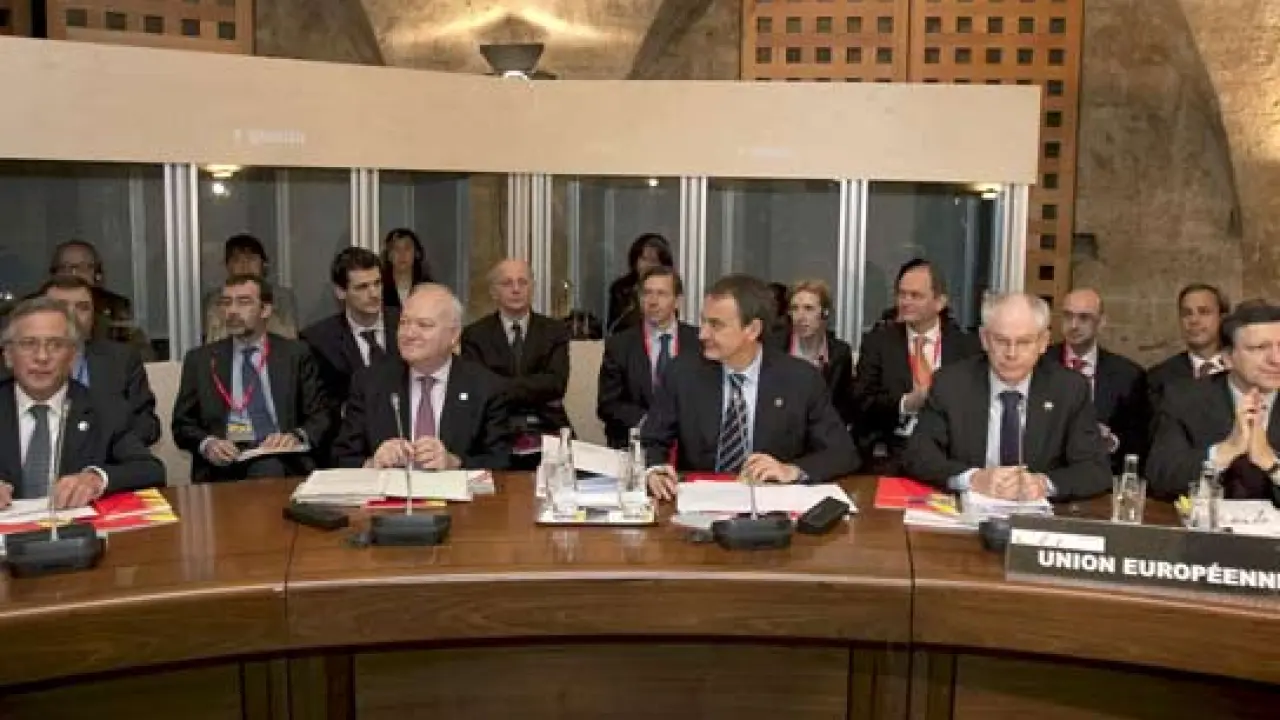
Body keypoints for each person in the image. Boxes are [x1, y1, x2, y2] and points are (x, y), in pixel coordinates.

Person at [642, 274, 858, 500]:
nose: (702, 334)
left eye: (715, 325)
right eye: (703, 321)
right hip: (699, 502)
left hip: (772, 503)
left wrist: (791, 470)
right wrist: (654, 470)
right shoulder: (682, 373)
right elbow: (652, 440)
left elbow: (842, 453)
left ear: (752, 329)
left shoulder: (801, 379)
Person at [904, 293, 1110, 502]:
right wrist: (974, 479)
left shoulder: (1069, 389)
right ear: (984, 339)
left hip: (1038, 515)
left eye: (1024, 342)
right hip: (966, 510)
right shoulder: (951, 383)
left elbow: (1095, 469)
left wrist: (1043, 484)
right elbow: (918, 455)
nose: (1011, 353)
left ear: (1043, 342)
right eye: (1001, 341)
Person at [0, 297, 163, 508]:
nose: (42, 357)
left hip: (75, 526)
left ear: (72, 357)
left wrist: (96, 478)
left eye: (56, 345)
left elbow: (150, 470)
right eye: (29, 344)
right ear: (8, 355)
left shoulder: (104, 408)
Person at [332, 284, 511, 469]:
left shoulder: (486, 387)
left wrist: (454, 463)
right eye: (404, 322)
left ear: (453, 335)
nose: (409, 334)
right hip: (392, 486)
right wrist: (372, 463)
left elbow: (500, 461)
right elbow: (341, 457)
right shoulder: (369, 383)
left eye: (424, 325)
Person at [173, 275, 330, 482]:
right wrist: (208, 443)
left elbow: (321, 415)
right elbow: (182, 424)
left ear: (265, 310)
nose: (232, 311)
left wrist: (295, 436)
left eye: (243, 302)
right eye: (226, 303)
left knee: (268, 466)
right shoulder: (201, 360)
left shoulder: (295, 354)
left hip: (280, 457)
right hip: (224, 462)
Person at [851, 259, 982, 469]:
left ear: (939, 302)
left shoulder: (966, 347)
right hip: (892, 450)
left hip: (948, 452)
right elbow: (861, 402)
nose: (905, 302)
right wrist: (906, 403)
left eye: (916, 295)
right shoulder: (878, 342)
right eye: (902, 294)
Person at [1147, 301, 1280, 504]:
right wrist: (1224, 451)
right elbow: (1160, 478)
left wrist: (1271, 463)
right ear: (1227, 358)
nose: (1276, 359)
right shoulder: (1184, 398)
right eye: (1260, 348)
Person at [461, 258, 571, 468]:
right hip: (493, 428)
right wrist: (532, 386)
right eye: (507, 283)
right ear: (493, 292)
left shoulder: (555, 331)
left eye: (522, 282)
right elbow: (479, 389)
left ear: (532, 288)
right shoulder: (475, 335)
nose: (516, 289)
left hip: (545, 424)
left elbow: (556, 384)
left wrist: (500, 385)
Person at [36, 275, 161, 446]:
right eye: (61, 306)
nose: (72, 315)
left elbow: (148, 425)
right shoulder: (17, 363)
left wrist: (107, 448)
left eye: (83, 308)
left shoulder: (122, 359)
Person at [1045, 288, 1149, 472]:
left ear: (1101, 322)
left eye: (1084, 318)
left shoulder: (1127, 375)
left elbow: (1138, 439)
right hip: (1047, 472)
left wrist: (1112, 442)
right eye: (1068, 316)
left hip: (1102, 473)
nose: (1074, 325)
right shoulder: (1040, 364)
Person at [596, 266, 700, 448]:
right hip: (636, 443)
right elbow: (608, 405)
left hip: (689, 446)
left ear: (677, 301)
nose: (653, 301)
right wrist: (651, 423)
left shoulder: (698, 342)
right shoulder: (620, 344)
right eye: (647, 293)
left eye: (661, 294)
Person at [300, 248, 400, 410]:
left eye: (377, 283)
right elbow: (320, 407)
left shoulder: (407, 323)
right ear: (341, 292)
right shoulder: (318, 341)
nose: (374, 294)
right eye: (362, 287)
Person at [771, 280, 855, 430]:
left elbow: (842, 407)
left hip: (822, 431)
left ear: (825, 313)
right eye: (795, 309)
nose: (800, 316)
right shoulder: (774, 347)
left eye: (808, 308)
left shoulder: (840, 353)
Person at [48, 240, 150, 354]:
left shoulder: (115, 308)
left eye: (82, 267)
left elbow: (139, 355)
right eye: (65, 267)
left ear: (97, 274)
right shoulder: (39, 305)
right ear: (54, 274)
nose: (74, 273)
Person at [1147, 283, 1230, 414]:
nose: (1194, 320)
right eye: (1186, 313)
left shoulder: (1242, 370)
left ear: (1222, 318)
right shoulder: (1159, 378)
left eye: (1204, 312)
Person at [202, 234, 300, 342]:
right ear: (228, 266)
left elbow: (289, 338)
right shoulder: (215, 300)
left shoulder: (282, 298)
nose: (245, 265)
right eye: (237, 260)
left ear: (263, 264)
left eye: (251, 259)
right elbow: (214, 342)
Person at [605, 233, 673, 336]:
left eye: (653, 261)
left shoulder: (670, 288)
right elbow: (614, 327)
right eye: (643, 259)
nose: (647, 265)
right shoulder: (621, 289)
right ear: (635, 260)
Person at [380, 228, 433, 309]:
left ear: (416, 253)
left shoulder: (428, 287)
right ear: (389, 255)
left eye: (407, 248)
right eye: (396, 249)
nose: (402, 254)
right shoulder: (380, 287)